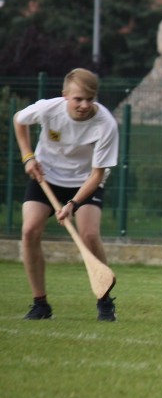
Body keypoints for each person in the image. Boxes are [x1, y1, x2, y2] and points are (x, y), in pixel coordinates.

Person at [14, 68, 119, 321]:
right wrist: (28, 157)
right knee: (29, 231)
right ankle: (40, 304)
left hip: (86, 181)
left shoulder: (106, 124)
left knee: (89, 234)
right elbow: (19, 119)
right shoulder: (49, 109)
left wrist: (73, 204)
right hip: (46, 176)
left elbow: (97, 175)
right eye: (78, 99)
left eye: (90, 99)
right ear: (65, 96)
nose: (84, 105)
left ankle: (104, 300)